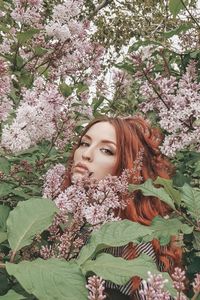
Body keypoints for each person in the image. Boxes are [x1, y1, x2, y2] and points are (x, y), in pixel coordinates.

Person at [62, 115, 182, 300]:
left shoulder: (132, 244)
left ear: (130, 169)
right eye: (85, 144)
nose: (86, 154)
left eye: (106, 150)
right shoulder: (67, 216)